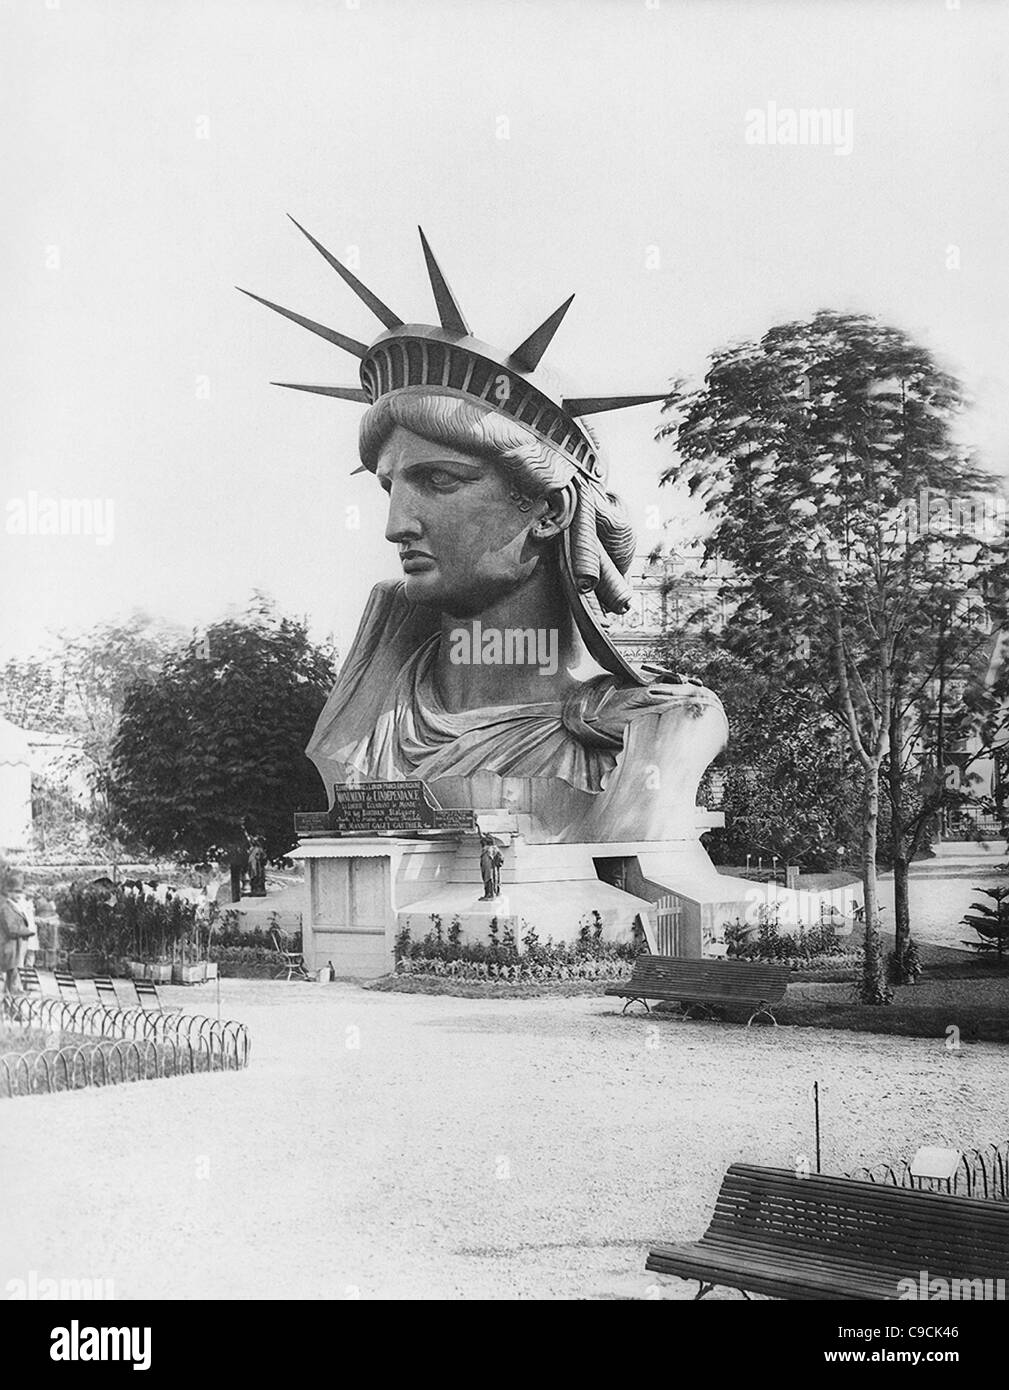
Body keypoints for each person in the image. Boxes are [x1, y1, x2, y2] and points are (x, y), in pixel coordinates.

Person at [0, 864, 33, 995]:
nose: (19, 895)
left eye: (20, 891)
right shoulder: (6, 907)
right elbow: (11, 929)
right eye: (16, 891)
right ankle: (14, 1007)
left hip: (13, 949)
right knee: (12, 980)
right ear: (8, 891)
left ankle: (12, 1009)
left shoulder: (12, 905)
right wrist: (28, 931)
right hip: (8, 948)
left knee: (12, 978)